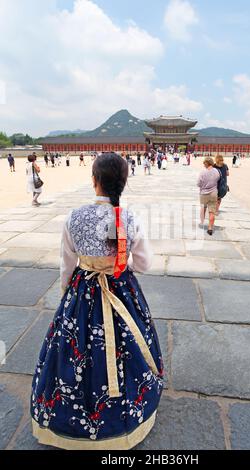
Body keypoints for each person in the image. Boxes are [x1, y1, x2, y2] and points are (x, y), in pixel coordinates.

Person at [30, 153, 163, 450]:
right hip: (119, 290)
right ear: (123, 182)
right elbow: (143, 264)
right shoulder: (128, 218)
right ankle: (124, 416)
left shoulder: (74, 216)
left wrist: (69, 292)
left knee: (74, 351)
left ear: (94, 181)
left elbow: (67, 263)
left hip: (83, 291)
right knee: (128, 346)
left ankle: (69, 416)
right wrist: (120, 265)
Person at [198, 157, 220, 236]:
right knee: (212, 211)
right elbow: (218, 179)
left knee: (203, 207)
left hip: (204, 193)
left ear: (206, 163)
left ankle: (202, 221)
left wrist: (203, 185)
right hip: (213, 193)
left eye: (204, 163)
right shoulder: (217, 171)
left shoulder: (203, 172)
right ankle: (210, 228)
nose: (203, 165)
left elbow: (198, 183)